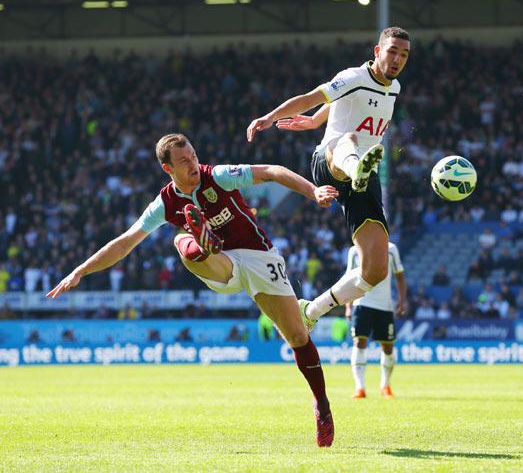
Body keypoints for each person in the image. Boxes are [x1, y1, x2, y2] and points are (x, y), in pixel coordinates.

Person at [47, 133, 339, 447]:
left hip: (259, 256)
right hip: (220, 263)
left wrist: (313, 191)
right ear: (166, 167)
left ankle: (321, 405)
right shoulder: (164, 204)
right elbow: (125, 243)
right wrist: (81, 270)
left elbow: (271, 170)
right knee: (178, 241)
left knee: (296, 336)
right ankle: (200, 243)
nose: (194, 164)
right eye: (184, 161)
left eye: (194, 156)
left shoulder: (219, 176)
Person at [246, 27, 410, 332]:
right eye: (392, 51)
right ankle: (357, 168)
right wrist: (269, 117)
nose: (397, 58)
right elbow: (312, 96)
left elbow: (345, 103)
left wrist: (317, 120)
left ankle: (311, 309)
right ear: (377, 52)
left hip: (364, 175)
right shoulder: (354, 76)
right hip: (330, 160)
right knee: (348, 139)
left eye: (403, 54)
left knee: (375, 270)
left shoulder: (395, 87)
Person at [344, 241, 406, 399]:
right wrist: (348, 305)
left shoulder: (391, 249)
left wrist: (402, 300)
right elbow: (349, 278)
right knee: (359, 342)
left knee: (388, 347)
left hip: (384, 305)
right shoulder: (354, 250)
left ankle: (385, 386)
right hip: (361, 302)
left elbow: (399, 276)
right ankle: (360, 387)